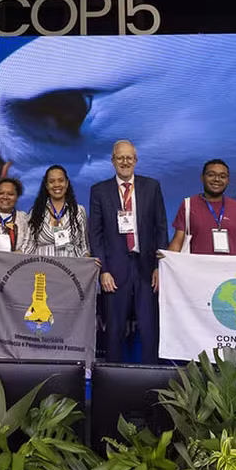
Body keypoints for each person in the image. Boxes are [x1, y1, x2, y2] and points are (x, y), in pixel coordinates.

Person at [89, 140, 168, 364]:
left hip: (146, 268)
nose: (125, 162)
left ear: (136, 160)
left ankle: (152, 378)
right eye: (120, 157)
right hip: (114, 270)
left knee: (150, 329)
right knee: (113, 330)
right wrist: (103, 270)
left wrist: (159, 267)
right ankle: (111, 378)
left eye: (129, 158)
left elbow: (161, 227)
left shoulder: (152, 187)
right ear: (113, 160)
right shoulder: (99, 190)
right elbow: (96, 233)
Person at [23, 165, 90, 257]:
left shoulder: (78, 211)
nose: (56, 185)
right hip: (42, 265)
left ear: (67, 183)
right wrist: (5, 258)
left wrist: (90, 261)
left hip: (72, 265)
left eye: (61, 180)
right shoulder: (36, 212)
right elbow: (27, 247)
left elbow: (84, 248)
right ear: (46, 185)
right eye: (51, 181)